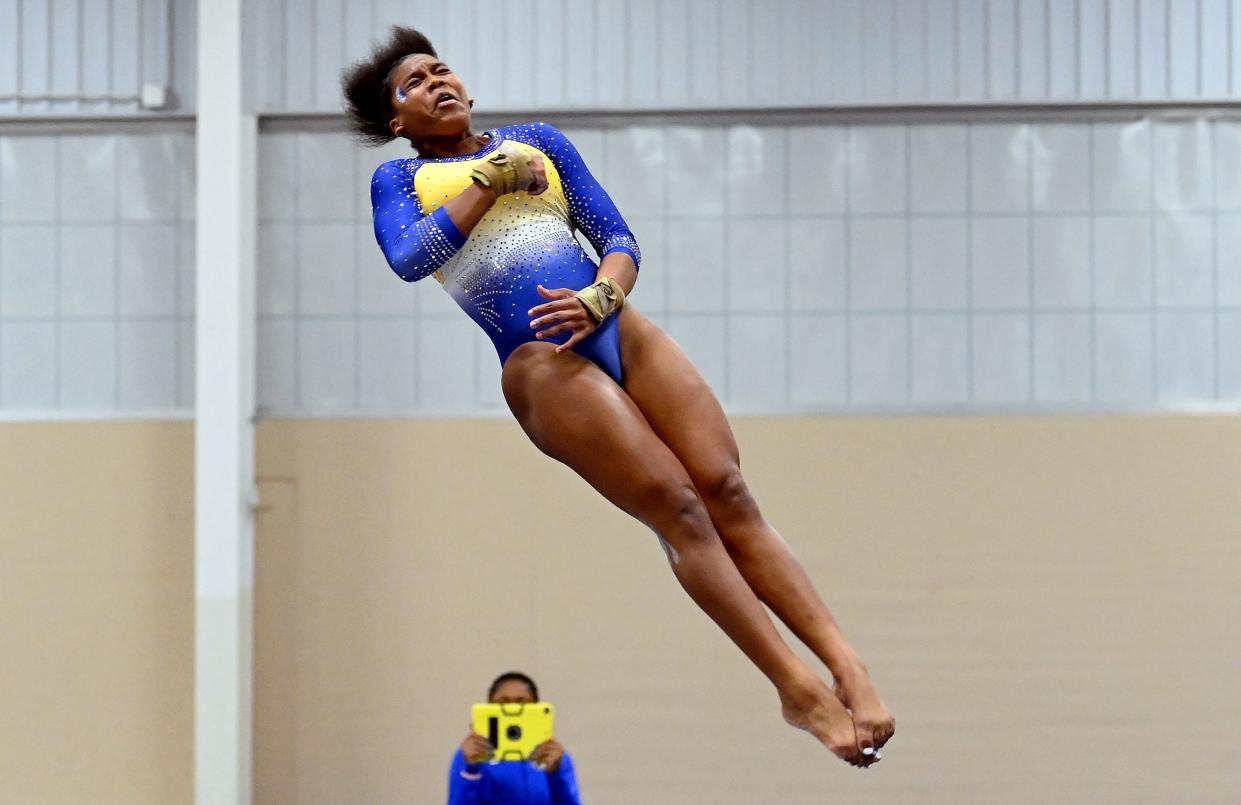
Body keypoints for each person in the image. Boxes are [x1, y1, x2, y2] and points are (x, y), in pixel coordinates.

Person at [342, 26, 894, 769]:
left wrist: (604, 295)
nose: (435, 81)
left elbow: (616, 235)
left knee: (728, 488)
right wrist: (486, 181)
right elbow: (411, 259)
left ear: (466, 89)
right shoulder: (399, 181)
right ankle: (793, 683)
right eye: (412, 85)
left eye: (441, 70)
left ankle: (845, 663)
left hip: (612, 322)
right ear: (398, 124)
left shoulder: (537, 140)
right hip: (539, 359)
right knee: (681, 508)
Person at [448, 672, 580, 805]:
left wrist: (555, 775)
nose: (512, 709)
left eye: (522, 703)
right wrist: (471, 770)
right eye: (502, 703)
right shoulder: (472, 755)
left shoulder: (553, 756)